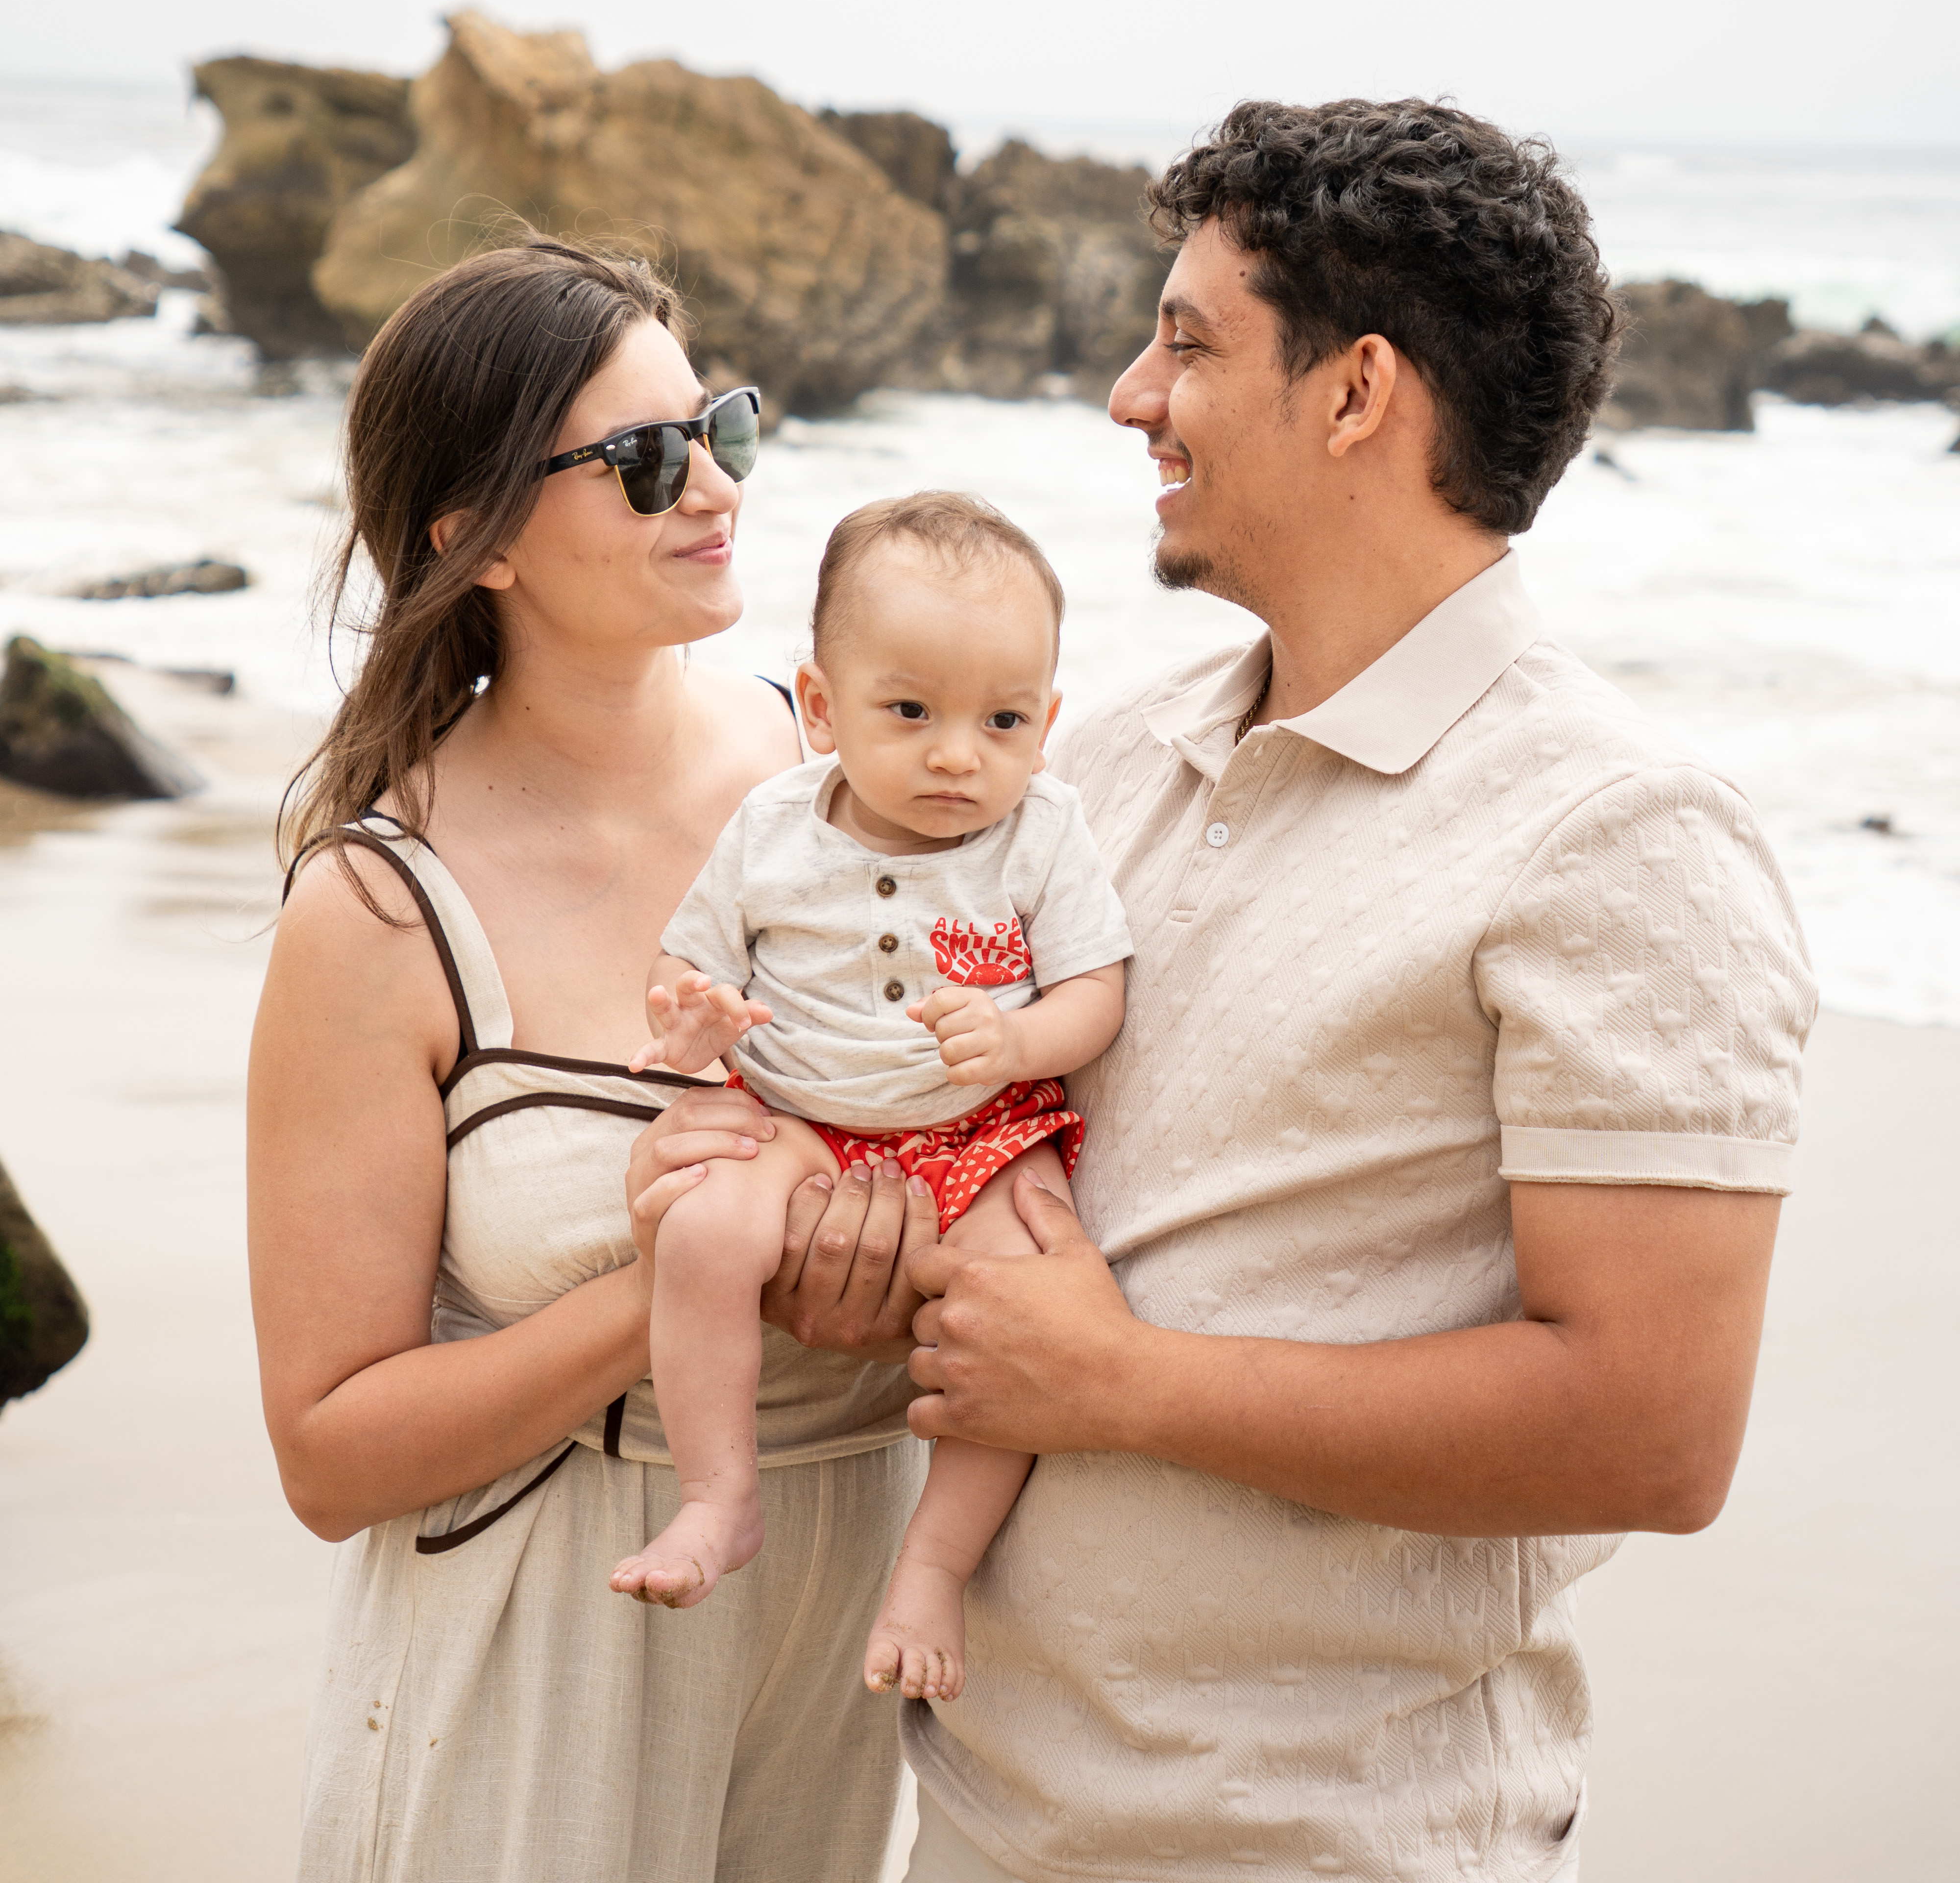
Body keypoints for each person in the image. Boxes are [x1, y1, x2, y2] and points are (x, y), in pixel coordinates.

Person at [641, 100, 1814, 1883]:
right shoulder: (1091, 766)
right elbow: (997, 1175)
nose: (1130, 395)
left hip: (1322, 1848)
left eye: (1186, 344)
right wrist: (809, 1214)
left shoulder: (1623, 836)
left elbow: (1652, 1431)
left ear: (1354, 396)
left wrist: (1124, 1386)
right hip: (974, 1814)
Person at [248, 235, 940, 1883]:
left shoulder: (867, 770)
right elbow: (330, 1456)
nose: (712, 488)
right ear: (473, 538)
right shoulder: (378, 907)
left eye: (725, 431)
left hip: (856, 1601)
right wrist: (684, 1285)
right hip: (534, 1628)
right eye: (642, 460)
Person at [608, 493, 1130, 1710]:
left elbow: (1096, 991)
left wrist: (1013, 1037)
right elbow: (690, 971)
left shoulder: (1041, 831)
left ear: (1046, 724)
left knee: (1026, 1318)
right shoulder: (774, 824)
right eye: (911, 713)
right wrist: (688, 1025)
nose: (959, 754)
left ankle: (931, 1571)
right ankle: (717, 1495)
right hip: (796, 1114)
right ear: (823, 707)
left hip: (973, 1128)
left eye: (1002, 720)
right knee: (701, 1229)